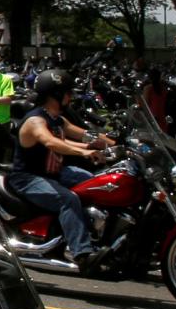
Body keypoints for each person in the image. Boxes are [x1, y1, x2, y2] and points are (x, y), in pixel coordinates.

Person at [7, 70, 115, 260]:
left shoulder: (56, 118)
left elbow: (85, 134)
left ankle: (102, 235)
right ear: (54, 95)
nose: (70, 97)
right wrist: (84, 151)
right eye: (67, 92)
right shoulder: (35, 120)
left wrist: (118, 144)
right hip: (29, 178)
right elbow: (50, 142)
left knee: (97, 183)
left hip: (54, 173)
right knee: (69, 199)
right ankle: (82, 254)